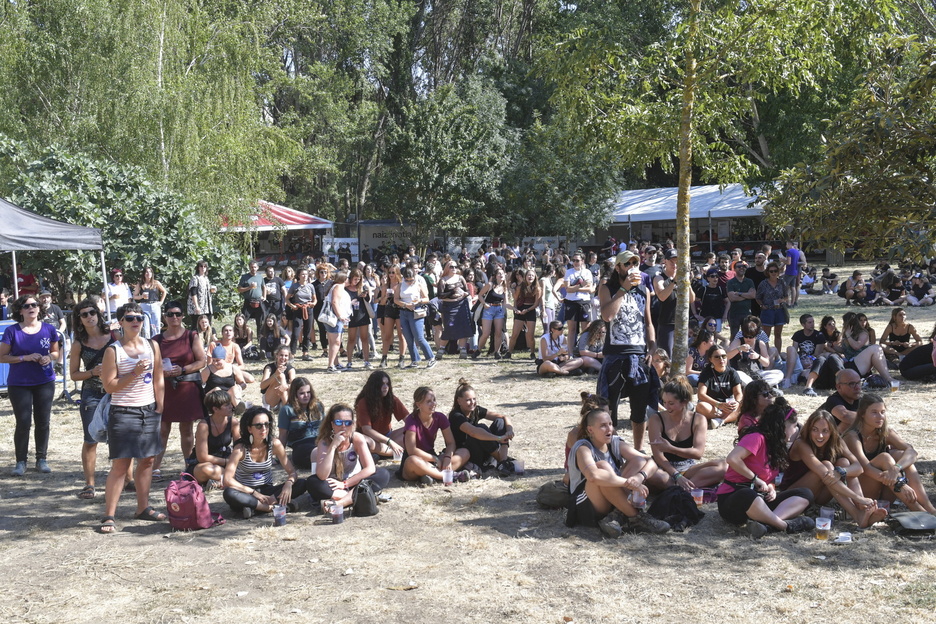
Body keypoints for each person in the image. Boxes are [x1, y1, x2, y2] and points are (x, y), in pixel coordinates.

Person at [98, 303, 167, 533]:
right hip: (123, 411)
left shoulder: (152, 345)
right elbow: (109, 386)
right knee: (121, 465)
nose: (135, 321)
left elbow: (158, 376)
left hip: (148, 410)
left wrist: (160, 404)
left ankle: (142, 508)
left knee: (147, 461)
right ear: (121, 322)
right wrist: (134, 373)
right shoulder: (113, 350)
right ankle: (109, 515)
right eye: (130, 318)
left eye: (139, 317)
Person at [716, 403, 815, 539]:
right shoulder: (757, 437)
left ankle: (768, 526)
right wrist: (755, 478)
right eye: (793, 426)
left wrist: (771, 487)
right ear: (783, 425)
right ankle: (785, 526)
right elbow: (732, 458)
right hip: (734, 499)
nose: (794, 431)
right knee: (747, 494)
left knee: (805, 493)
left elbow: (769, 477)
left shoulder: (776, 445)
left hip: (760, 500)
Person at [566, 408, 671, 536]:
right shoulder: (583, 448)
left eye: (610, 424)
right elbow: (593, 476)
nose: (609, 429)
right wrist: (628, 483)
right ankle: (636, 518)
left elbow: (651, 461)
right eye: (603, 426)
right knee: (602, 467)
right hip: (586, 506)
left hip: (612, 498)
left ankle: (616, 516)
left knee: (638, 461)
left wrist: (639, 477)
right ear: (590, 430)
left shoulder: (614, 442)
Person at [781, 410, 887, 528]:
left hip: (819, 495)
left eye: (825, 431)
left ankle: (862, 510)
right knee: (827, 466)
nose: (820, 435)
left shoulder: (837, 442)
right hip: (794, 494)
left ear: (831, 431)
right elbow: (824, 472)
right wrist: (858, 497)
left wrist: (842, 471)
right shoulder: (801, 444)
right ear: (809, 429)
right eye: (815, 430)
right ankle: (857, 514)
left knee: (844, 463)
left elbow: (858, 467)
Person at [597, 250, 658, 449]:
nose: (632, 266)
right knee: (609, 409)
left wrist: (652, 347)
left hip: (639, 356)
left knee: (639, 410)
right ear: (618, 267)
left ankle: (639, 450)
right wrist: (623, 289)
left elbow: (648, 322)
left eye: (635, 263)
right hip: (616, 355)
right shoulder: (607, 287)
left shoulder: (644, 290)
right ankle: (612, 451)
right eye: (627, 264)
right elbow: (607, 316)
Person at [0, 295, 61, 476]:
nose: (31, 308)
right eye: (27, 306)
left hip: (45, 381)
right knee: (23, 422)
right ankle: (21, 462)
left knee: (43, 422)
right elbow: (1, 356)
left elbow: (56, 352)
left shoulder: (49, 329)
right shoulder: (12, 331)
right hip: (19, 383)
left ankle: (41, 459)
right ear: (20, 310)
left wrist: (49, 357)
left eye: (35, 305)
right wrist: (23, 358)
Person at [844, 394, 936, 514]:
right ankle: (921, 512)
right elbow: (865, 468)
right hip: (863, 492)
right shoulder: (853, 436)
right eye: (874, 412)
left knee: (899, 455)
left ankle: (929, 508)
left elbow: (912, 451)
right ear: (862, 414)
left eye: (882, 412)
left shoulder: (885, 432)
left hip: (886, 491)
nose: (880, 416)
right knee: (885, 457)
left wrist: (896, 468)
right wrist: (900, 484)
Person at [152, 301, 207, 481]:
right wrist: (161, 370)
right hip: (164, 388)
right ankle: (155, 469)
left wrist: (183, 370)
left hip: (186, 387)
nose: (174, 317)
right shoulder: (156, 340)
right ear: (164, 317)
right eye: (170, 314)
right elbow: (150, 364)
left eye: (177, 314)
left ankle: (188, 466)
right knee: (162, 429)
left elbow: (202, 361)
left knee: (187, 430)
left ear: (182, 316)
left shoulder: (192, 336)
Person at [645, 377, 727, 493]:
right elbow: (658, 456)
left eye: (671, 403)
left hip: (687, 467)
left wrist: (670, 448)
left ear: (684, 402)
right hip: (663, 468)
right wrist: (677, 476)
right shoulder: (656, 419)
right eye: (664, 402)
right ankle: (683, 488)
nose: (666, 407)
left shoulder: (698, 419)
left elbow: (698, 453)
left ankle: (678, 489)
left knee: (724, 466)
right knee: (650, 472)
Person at [69, 297, 116, 498]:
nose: (90, 317)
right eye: (84, 314)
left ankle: (128, 479)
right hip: (91, 394)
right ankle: (89, 484)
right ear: (79, 320)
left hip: (115, 391)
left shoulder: (114, 336)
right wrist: (93, 372)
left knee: (119, 438)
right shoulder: (79, 343)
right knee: (90, 439)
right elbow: (73, 374)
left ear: (98, 314)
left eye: (92, 312)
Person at [306, 403, 391, 512]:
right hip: (333, 487)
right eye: (338, 422)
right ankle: (360, 496)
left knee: (383, 474)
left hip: (354, 482)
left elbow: (370, 468)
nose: (343, 426)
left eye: (348, 423)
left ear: (353, 424)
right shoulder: (324, 443)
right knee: (312, 482)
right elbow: (322, 476)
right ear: (332, 424)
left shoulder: (357, 439)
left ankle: (339, 503)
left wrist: (345, 484)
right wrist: (333, 447)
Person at [222, 406, 304, 519]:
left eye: (267, 424)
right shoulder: (240, 449)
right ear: (249, 429)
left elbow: (292, 472)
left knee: (302, 483)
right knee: (229, 493)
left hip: (268, 491)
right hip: (246, 492)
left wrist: (288, 484)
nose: (264, 429)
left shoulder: (275, 444)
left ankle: (255, 509)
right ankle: (271, 508)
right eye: (259, 426)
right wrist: (253, 493)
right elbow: (227, 479)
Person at [399, 386, 473, 485]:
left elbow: (451, 443)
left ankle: (430, 476)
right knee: (412, 461)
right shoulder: (411, 420)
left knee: (464, 452)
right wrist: (435, 459)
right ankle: (449, 476)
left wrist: (447, 458)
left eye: (434, 400)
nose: (433, 403)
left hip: (432, 462)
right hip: (414, 462)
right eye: (428, 401)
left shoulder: (440, 417)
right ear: (418, 404)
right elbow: (412, 450)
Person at [449, 378, 516, 476]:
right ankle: (502, 461)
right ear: (459, 401)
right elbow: (473, 432)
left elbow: (503, 417)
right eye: (468, 400)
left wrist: (509, 431)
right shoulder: (456, 416)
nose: (472, 402)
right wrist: (498, 438)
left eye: (474, 399)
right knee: (481, 427)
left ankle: (503, 461)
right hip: (468, 454)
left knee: (500, 422)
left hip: (484, 449)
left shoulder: (475, 410)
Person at [190, 389, 240, 488]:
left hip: (227, 460)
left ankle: (221, 481)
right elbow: (202, 457)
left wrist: (232, 460)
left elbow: (239, 447)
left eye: (230, 403)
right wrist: (227, 462)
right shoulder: (204, 425)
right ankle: (230, 479)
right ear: (215, 409)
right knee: (205, 469)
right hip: (206, 464)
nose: (231, 407)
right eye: (227, 405)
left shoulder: (233, 422)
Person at [355, 371, 409, 458]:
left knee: (413, 430)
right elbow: (367, 430)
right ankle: (393, 451)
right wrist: (389, 442)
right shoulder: (363, 402)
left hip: (388, 436)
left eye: (387, 384)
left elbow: (409, 420)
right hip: (371, 439)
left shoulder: (392, 399)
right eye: (382, 384)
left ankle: (386, 452)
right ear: (374, 386)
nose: (385, 387)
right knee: (365, 442)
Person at [276, 377, 323, 470]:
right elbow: (283, 435)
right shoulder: (287, 410)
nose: (306, 395)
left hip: (319, 441)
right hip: (300, 445)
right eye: (302, 393)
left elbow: (325, 427)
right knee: (316, 454)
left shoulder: (318, 406)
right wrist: (279, 457)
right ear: (295, 394)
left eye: (308, 392)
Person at [394, 266, 436, 369]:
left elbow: (427, 298)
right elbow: (396, 299)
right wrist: (404, 304)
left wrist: (419, 301)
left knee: (419, 337)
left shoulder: (419, 285)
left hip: (416, 312)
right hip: (404, 312)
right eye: (407, 280)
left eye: (411, 280)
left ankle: (431, 358)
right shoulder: (400, 286)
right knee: (408, 337)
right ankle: (415, 360)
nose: (409, 282)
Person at [554, 252, 594, 354]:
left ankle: (585, 351)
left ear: (582, 261)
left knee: (586, 330)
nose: (575, 263)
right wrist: (581, 286)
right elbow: (568, 289)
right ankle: (570, 353)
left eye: (577, 260)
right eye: (574, 260)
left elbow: (590, 289)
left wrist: (575, 288)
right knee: (572, 329)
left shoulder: (587, 272)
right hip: (571, 302)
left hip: (584, 302)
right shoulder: (569, 272)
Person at [695, 345, 742, 428]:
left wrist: (737, 403)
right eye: (717, 357)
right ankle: (728, 417)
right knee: (701, 406)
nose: (721, 359)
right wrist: (718, 404)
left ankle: (720, 420)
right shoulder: (706, 373)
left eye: (724, 356)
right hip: (712, 406)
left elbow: (738, 393)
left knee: (743, 405)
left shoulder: (732, 372)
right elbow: (701, 395)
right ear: (710, 359)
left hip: (728, 405)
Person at [435, 260, 473, 359]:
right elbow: (440, 295)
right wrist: (452, 292)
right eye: (451, 267)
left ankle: (463, 350)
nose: (454, 269)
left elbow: (467, 290)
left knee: (463, 327)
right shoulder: (443, 280)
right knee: (449, 328)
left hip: (461, 305)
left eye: (455, 267)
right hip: (449, 306)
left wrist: (465, 294)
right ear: (447, 268)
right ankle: (441, 349)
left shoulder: (461, 278)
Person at [780, 314, 826, 389]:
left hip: (811, 361)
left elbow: (817, 354)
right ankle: (787, 379)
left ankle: (789, 378)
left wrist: (807, 359)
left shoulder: (819, 335)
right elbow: (794, 351)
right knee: (786, 351)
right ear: (803, 324)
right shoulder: (798, 334)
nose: (812, 324)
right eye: (809, 322)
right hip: (801, 359)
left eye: (813, 322)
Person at [474, 266, 509, 360]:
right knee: (486, 333)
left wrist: (515, 309)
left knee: (498, 332)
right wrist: (484, 303)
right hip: (489, 309)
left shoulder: (505, 287)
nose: (501, 275)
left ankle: (497, 352)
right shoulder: (490, 285)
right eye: (499, 274)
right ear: (495, 276)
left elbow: (506, 303)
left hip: (499, 310)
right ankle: (478, 350)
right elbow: (480, 295)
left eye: (502, 273)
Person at [652, 248, 682, 356]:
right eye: (671, 262)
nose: (674, 265)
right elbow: (662, 296)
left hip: (681, 323)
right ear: (665, 261)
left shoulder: (682, 278)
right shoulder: (659, 278)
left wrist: (686, 281)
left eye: (677, 262)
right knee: (666, 356)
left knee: (681, 355)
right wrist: (674, 281)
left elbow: (692, 299)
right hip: (666, 323)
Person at [507, 269, 541, 359]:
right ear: (525, 277)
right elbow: (515, 298)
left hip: (530, 310)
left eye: (532, 276)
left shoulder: (537, 288)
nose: (530, 277)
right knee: (515, 333)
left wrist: (528, 310)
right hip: (521, 309)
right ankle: (509, 352)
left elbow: (536, 304)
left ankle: (532, 353)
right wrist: (512, 290)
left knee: (530, 335)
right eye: (528, 275)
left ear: (535, 278)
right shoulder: (520, 287)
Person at [755, 261, 789, 353]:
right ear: (768, 272)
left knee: (778, 334)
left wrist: (782, 300)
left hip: (779, 310)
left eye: (775, 271)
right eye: (771, 271)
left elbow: (786, 296)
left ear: (778, 272)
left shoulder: (782, 282)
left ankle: (777, 354)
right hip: (767, 311)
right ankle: (765, 353)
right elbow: (757, 297)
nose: (773, 273)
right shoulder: (763, 283)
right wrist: (762, 305)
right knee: (766, 335)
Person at [324, 271, 353, 372]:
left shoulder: (336, 286)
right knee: (336, 342)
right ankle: (330, 365)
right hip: (335, 318)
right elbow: (334, 302)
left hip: (334, 318)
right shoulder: (338, 286)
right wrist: (340, 316)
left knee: (333, 342)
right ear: (344, 279)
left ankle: (335, 363)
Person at [344, 268, 373, 369]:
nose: (356, 281)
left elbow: (369, 300)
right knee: (351, 339)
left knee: (364, 338)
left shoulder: (362, 287)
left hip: (362, 314)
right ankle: (349, 361)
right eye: (355, 279)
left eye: (359, 279)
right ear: (351, 278)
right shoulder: (346, 288)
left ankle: (366, 361)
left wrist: (365, 295)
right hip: (351, 315)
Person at [286, 267, 317, 359]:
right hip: (298, 309)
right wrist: (292, 306)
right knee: (296, 333)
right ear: (299, 276)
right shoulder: (294, 286)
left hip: (308, 309)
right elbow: (287, 299)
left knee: (307, 331)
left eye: (306, 274)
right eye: (303, 274)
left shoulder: (311, 286)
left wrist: (313, 304)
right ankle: (292, 354)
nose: (305, 276)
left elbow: (315, 299)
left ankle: (305, 353)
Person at [134, 266, 167, 337]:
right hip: (144, 306)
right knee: (146, 327)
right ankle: (147, 343)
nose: (148, 273)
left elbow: (164, 292)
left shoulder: (156, 283)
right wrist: (141, 296)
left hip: (155, 305)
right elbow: (134, 296)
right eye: (146, 272)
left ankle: (156, 343)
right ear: (144, 274)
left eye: (149, 272)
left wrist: (161, 302)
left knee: (156, 326)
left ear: (152, 274)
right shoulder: (140, 284)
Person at [726, 262, 755, 339]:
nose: (742, 268)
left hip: (747, 313)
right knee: (734, 337)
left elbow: (753, 295)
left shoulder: (749, 281)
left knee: (747, 336)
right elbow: (732, 297)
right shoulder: (730, 282)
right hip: (734, 314)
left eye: (744, 266)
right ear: (734, 269)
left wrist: (738, 293)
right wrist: (747, 295)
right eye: (739, 267)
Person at [238, 261, 266, 337]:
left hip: (258, 301)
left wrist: (264, 296)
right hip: (248, 302)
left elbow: (264, 287)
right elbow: (239, 289)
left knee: (260, 322)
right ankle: (242, 336)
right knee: (243, 320)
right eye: (251, 267)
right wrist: (249, 287)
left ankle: (259, 339)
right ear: (249, 267)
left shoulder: (260, 277)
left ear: (257, 267)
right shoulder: (244, 277)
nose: (253, 268)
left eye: (255, 267)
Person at [187, 260, 215, 329]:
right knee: (196, 326)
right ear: (198, 268)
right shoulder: (195, 278)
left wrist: (212, 290)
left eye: (205, 266)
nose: (203, 268)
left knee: (207, 326)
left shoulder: (206, 278)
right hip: (198, 308)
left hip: (207, 308)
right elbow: (193, 293)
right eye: (201, 266)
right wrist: (197, 306)